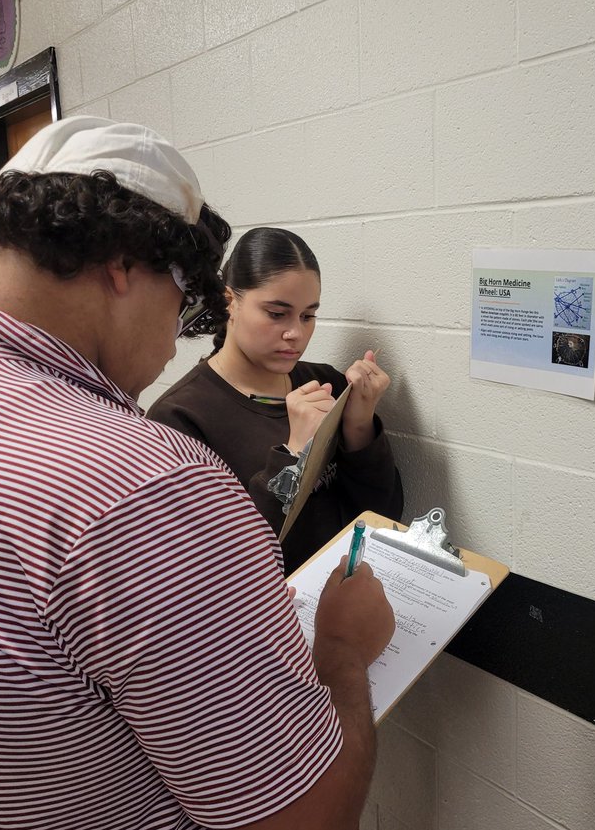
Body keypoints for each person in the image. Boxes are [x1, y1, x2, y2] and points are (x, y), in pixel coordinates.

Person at [0, 117, 394, 830]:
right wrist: (345, 659)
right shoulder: (138, 482)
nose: (171, 344)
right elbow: (311, 826)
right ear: (126, 259)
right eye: (182, 303)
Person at [147, 226, 404, 572]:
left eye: (308, 315)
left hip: (342, 597)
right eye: (276, 313)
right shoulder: (178, 417)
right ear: (230, 303)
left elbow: (385, 514)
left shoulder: (324, 382)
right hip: (264, 617)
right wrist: (294, 453)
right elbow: (219, 565)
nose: (295, 333)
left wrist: (359, 426)